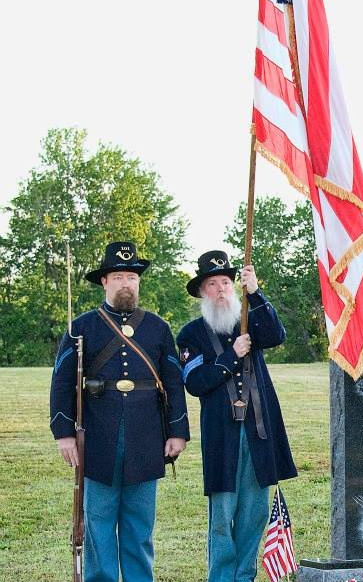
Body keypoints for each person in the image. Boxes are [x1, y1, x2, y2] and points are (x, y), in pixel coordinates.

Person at [50, 240, 189, 582]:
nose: (126, 283)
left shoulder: (158, 328)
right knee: (97, 526)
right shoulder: (81, 328)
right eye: (119, 276)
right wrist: (64, 433)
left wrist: (178, 431)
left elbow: (173, 382)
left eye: (132, 276)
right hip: (97, 438)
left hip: (146, 439)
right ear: (105, 282)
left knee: (139, 528)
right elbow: (62, 383)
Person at [176, 251, 297, 582]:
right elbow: (195, 383)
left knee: (254, 514)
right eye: (212, 284)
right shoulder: (191, 334)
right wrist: (231, 356)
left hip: (258, 432)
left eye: (226, 283)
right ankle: (221, 577)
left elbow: (276, 335)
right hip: (222, 437)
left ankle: (244, 576)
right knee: (222, 516)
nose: (220, 290)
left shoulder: (250, 320)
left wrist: (256, 291)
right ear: (202, 292)